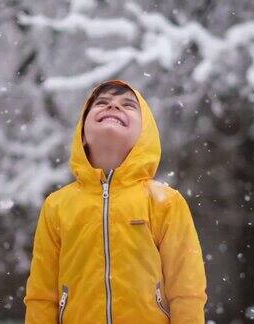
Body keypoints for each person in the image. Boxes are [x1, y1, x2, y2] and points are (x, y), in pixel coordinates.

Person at [23, 80, 207, 323]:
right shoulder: (57, 206)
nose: (113, 107)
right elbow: (42, 295)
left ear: (145, 135)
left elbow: (187, 289)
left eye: (128, 105)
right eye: (102, 103)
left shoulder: (166, 203)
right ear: (82, 135)